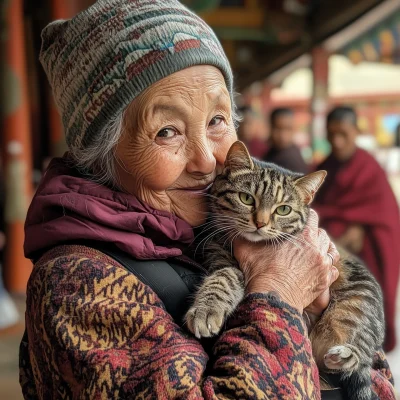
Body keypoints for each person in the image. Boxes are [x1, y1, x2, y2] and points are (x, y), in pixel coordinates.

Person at [19, 1, 395, 399]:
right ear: (103, 152)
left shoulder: (208, 225)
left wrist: (322, 315)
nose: (206, 160)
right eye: (167, 131)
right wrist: (279, 292)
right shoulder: (75, 286)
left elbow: (377, 385)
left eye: (217, 121)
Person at [314, 106, 400, 353]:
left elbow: (385, 215)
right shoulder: (324, 167)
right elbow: (318, 209)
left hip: (367, 251)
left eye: (344, 134)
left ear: (356, 131)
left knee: (369, 310)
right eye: (332, 134)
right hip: (334, 252)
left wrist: (361, 228)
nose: (338, 141)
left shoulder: (369, 167)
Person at [264, 107, 309, 173]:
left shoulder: (293, 159)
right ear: (270, 128)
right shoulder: (271, 153)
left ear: (294, 129)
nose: (282, 135)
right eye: (277, 129)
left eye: (288, 129)